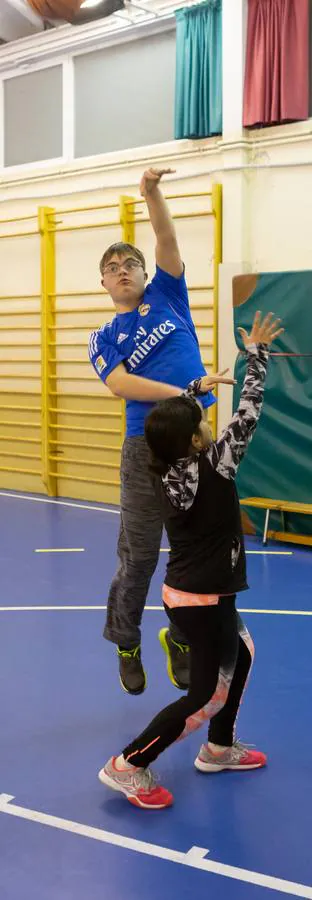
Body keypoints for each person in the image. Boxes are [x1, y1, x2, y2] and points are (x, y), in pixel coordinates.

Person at [97, 311, 283, 810]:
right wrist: (256, 356)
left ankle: (219, 748)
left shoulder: (168, 465)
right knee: (204, 696)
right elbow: (248, 413)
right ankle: (128, 765)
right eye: (202, 418)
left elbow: (182, 412)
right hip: (202, 600)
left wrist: (198, 384)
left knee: (240, 656)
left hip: (195, 593)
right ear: (197, 441)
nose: (207, 417)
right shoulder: (214, 467)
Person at [89, 168, 234, 695]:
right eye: (112, 267)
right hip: (144, 449)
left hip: (195, 442)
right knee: (140, 556)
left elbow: (166, 237)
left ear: (146, 273)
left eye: (130, 263)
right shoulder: (103, 335)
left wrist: (151, 193)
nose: (122, 269)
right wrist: (189, 388)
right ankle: (127, 641)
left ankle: (180, 636)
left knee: (192, 551)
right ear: (103, 282)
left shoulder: (170, 297)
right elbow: (121, 384)